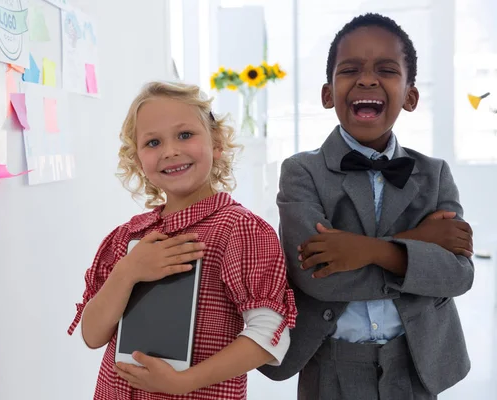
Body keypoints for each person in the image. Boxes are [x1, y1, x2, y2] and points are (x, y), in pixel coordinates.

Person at [258, 13, 474, 400]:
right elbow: (318, 276)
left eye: (387, 70)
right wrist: (416, 247)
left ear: (410, 95)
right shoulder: (301, 172)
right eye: (350, 69)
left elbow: (458, 276)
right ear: (328, 94)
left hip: (416, 362)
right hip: (330, 363)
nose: (367, 79)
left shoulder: (434, 173)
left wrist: (366, 251)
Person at [68, 81, 297, 399]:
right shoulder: (129, 237)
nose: (170, 151)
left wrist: (184, 381)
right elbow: (92, 335)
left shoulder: (239, 229)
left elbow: (271, 333)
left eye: (185, 135)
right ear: (137, 159)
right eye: (152, 142)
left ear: (216, 143)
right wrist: (127, 272)